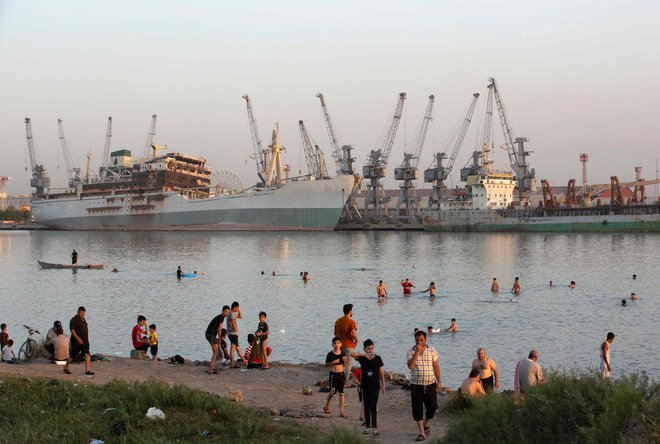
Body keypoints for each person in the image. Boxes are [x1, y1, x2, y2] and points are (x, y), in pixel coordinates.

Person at [407, 331, 441, 441]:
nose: (419, 342)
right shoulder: (411, 351)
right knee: (417, 409)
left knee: (432, 407)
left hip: (430, 383)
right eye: (417, 340)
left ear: (425, 339)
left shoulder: (432, 350)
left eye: (421, 340)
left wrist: (439, 381)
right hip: (416, 384)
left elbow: (436, 366)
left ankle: (426, 423)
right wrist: (416, 353)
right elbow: (410, 366)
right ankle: (422, 433)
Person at [350, 339, 385, 436]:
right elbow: (351, 354)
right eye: (368, 349)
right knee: (367, 406)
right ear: (364, 349)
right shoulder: (362, 358)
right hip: (365, 386)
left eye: (372, 348)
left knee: (373, 406)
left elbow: (381, 372)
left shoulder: (378, 358)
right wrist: (363, 355)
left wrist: (383, 385)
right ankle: (367, 427)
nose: (370, 350)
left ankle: (374, 428)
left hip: (375, 386)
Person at [324, 337, 347, 417]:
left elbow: (344, 365)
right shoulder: (330, 354)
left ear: (341, 344)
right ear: (332, 344)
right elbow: (325, 365)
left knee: (341, 393)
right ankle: (327, 405)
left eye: (338, 343)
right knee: (332, 392)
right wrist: (332, 362)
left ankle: (341, 411)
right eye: (335, 343)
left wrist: (344, 361)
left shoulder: (343, 353)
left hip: (341, 375)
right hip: (333, 375)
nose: (337, 344)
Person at [334, 304, 358, 382]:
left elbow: (335, 333)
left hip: (339, 346)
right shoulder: (351, 322)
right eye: (352, 310)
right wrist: (356, 340)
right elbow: (354, 334)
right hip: (349, 346)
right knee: (348, 365)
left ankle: (339, 379)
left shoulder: (338, 321)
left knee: (341, 364)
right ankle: (345, 382)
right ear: (350, 311)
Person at [205, 305, 230, 374]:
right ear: (222, 311)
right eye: (225, 312)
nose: (226, 313)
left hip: (209, 334)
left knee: (215, 352)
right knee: (215, 352)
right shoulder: (221, 317)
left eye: (228, 312)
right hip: (211, 335)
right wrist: (219, 338)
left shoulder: (219, 317)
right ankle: (210, 369)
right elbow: (219, 329)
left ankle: (211, 367)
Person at [70, 306, 94, 375]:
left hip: (85, 342)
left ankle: (87, 370)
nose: (82, 315)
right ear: (78, 312)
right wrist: (78, 338)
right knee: (73, 355)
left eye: (83, 314)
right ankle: (66, 367)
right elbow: (72, 330)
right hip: (76, 341)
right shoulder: (74, 320)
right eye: (81, 314)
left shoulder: (83, 319)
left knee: (87, 354)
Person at [227, 301, 246, 368]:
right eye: (237, 308)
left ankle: (244, 361)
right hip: (233, 333)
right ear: (235, 307)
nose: (238, 309)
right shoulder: (232, 313)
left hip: (231, 333)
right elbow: (232, 321)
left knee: (237, 348)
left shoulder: (232, 313)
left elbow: (241, 317)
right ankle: (232, 364)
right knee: (233, 349)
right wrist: (235, 329)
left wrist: (239, 309)